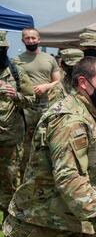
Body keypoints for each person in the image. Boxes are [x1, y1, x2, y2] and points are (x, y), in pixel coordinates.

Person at [0, 56, 96, 237]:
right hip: (43, 224)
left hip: (77, 223)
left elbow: (67, 158)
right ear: (83, 83)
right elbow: (69, 179)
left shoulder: (88, 112)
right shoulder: (70, 119)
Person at [13, 27, 61, 182]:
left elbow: (58, 81)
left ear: (39, 39)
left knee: (48, 144)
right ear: (23, 40)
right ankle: (25, 182)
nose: (31, 41)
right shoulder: (16, 60)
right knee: (27, 147)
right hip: (26, 110)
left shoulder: (49, 59)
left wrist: (46, 86)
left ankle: (47, 180)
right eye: (27, 38)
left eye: (33, 38)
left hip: (47, 107)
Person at [0, 31, 34, 219]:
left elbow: (31, 99)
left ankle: (9, 216)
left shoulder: (15, 71)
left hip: (10, 136)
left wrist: (16, 95)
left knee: (9, 177)